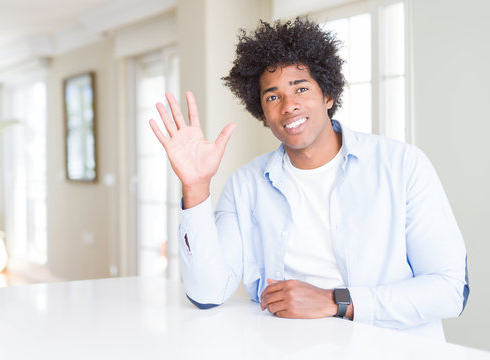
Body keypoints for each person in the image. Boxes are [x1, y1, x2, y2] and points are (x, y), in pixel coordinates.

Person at [148, 18, 468, 339]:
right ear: (262, 112)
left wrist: (335, 301)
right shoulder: (245, 185)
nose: (289, 106)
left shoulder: (402, 165)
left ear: (328, 96)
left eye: (301, 88)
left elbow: (450, 289)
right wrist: (195, 186)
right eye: (273, 97)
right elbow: (207, 292)